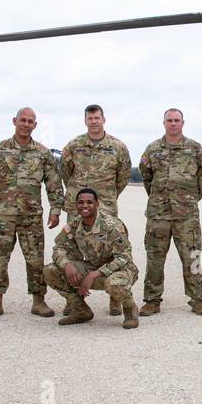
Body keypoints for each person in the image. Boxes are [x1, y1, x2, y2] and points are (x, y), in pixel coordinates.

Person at [0, 107, 64, 318]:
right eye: (22, 120)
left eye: (30, 121)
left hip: (31, 217)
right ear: (14, 121)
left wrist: (56, 209)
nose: (26, 124)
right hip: (3, 216)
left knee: (35, 260)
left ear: (35, 125)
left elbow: (54, 183)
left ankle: (38, 301)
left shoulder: (42, 153)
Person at [137, 108, 202, 316]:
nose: (173, 124)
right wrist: (158, 196)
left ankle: (198, 299)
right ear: (164, 123)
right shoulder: (152, 149)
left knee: (194, 257)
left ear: (182, 123)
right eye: (169, 120)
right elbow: (146, 176)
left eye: (176, 120)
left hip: (186, 215)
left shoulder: (195, 149)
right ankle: (152, 300)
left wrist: (190, 198)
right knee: (154, 258)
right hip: (158, 214)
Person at [61, 103, 132, 317]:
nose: (94, 121)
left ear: (103, 120)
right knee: (73, 251)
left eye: (97, 118)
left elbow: (124, 175)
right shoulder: (73, 146)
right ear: (85, 121)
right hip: (79, 208)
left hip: (106, 207)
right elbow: (66, 172)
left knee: (110, 252)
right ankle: (75, 300)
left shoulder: (117, 147)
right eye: (90, 118)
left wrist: (108, 196)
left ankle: (115, 298)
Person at [43, 188, 140, 329]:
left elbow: (125, 256)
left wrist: (95, 274)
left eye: (89, 202)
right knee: (50, 270)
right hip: (93, 267)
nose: (85, 206)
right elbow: (59, 248)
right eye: (81, 202)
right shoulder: (74, 225)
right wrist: (67, 265)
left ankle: (130, 310)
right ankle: (81, 310)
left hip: (120, 270)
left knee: (115, 284)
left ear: (97, 204)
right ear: (76, 205)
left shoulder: (111, 226)